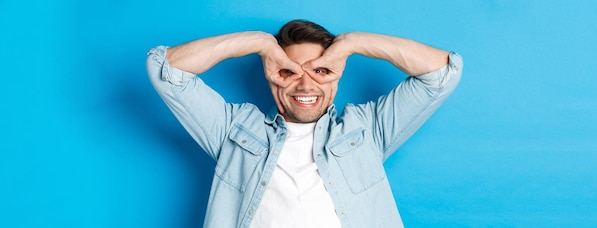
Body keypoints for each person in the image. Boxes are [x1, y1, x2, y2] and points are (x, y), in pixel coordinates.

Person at [146, 19, 462, 228]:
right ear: (271, 74)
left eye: (320, 70)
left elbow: (441, 74)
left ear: (336, 76)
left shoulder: (367, 128)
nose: (305, 84)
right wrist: (259, 43)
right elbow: (166, 70)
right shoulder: (232, 128)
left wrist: (352, 44)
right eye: (290, 71)